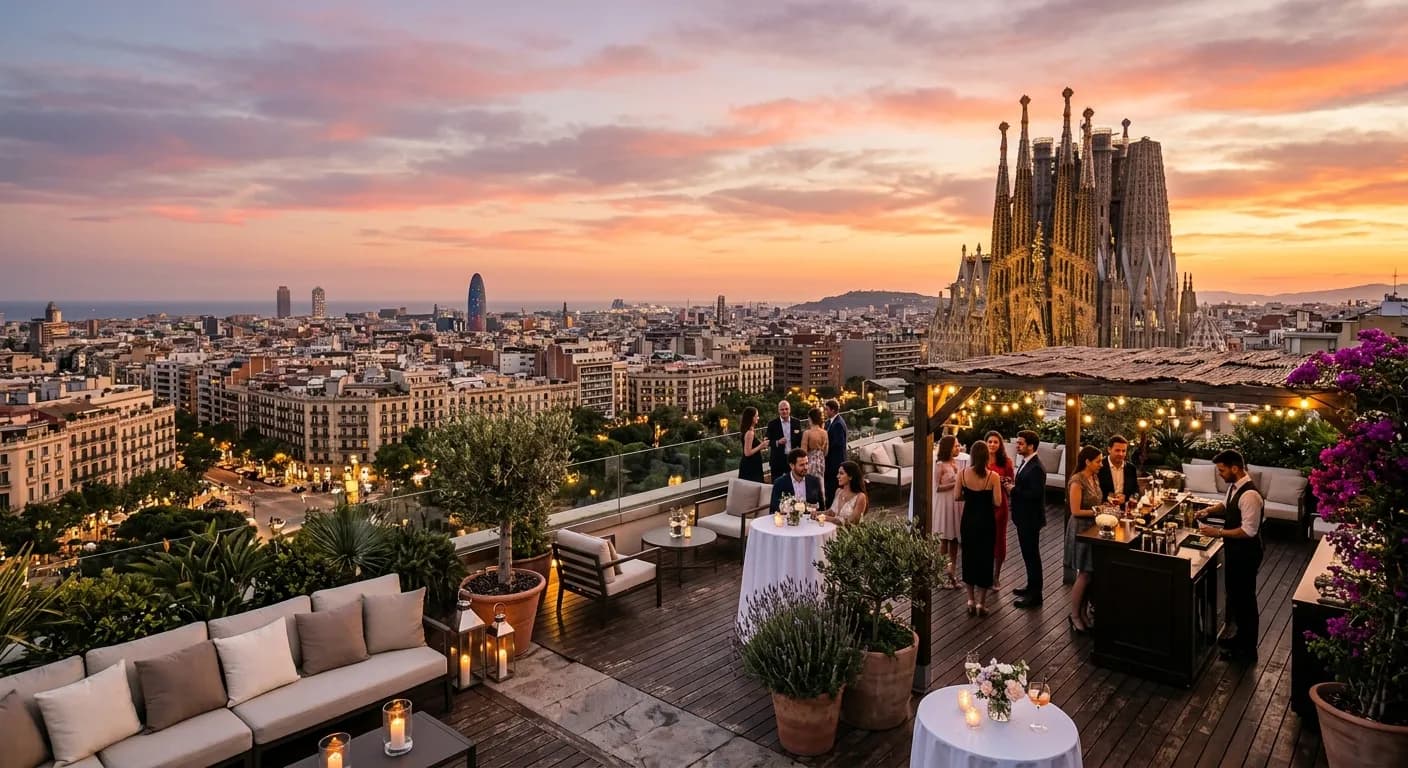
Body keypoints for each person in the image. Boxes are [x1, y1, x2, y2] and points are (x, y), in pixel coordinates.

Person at [1197, 449, 1264, 663]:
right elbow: (1226, 506)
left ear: (1235, 468)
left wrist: (1217, 532)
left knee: (1246, 601)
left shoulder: (1250, 495)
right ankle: (1239, 639)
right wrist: (1209, 511)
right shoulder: (1235, 488)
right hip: (1235, 552)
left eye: (1222, 470)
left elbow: (1248, 531)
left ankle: (1248, 650)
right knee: (1235, 596)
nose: (1220, 474)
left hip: (1247, 554)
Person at [959, 440, 1002, 617]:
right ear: (986, 456)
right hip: (986, 520)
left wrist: (970, 496)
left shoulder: (962, 474)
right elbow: (998, 501)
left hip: (968, 519)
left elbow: (956, 496)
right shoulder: (993, 476)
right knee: (985, 558)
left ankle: (970, 599)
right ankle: (981, 603)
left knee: (968, 556)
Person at [1065, 445, 1103, 633]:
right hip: (1080, 529)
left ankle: (1084, 613)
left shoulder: (1094, 477)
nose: (1101, 465)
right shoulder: (1077, 481)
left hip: (1092, 529)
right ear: (1087, 461)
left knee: (1091, 573)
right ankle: (1074, 615)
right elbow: (1075, 510)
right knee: (1084, 573)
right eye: (1098, 461)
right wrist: (1099, 510)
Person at [1010, 430, 1046, 608]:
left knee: (1032, 556)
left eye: (1021, 443)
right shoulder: (1026, 463)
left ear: (1031, 446)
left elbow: (1035, 494)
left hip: (1030, 518)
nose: (1017, 446)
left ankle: (1035, 596)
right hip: (1023, 516)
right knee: (1027, 555)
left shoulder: (1036, 467)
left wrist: (1012, 490)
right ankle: (1030, 587)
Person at [985, 431, 1015, 590]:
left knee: (999, 541)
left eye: (995, 442)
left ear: (1000, 444)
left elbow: (1011, 484)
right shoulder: (980, 461)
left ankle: (996, 576)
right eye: (990, 442)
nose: (992, 444)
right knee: (984, 541)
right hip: (983, 505)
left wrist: (1003, 481)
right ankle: (984, 574)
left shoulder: (1006, 463)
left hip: (1000, 505)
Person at [933, 434, 963, 589]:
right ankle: (940, 575)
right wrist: (955, 483)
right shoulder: (939, 465)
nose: (959, 448)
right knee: (944, 540)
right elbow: (936, 488)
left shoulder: (955, 462)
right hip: (945, 503)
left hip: (955, 503)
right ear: (948, 448)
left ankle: (952, 574)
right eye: (956, 446)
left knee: (954, 541)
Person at [770, 448, 824, 512]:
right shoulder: (779, 483)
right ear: (792, 465)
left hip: (810, 520)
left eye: (806, 463)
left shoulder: (814, 481)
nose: (806, 467)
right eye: (802, 465)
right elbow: (774, 509)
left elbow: (822, 508)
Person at [766, 400, 804, 481]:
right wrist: (777, 442)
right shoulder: (772, 424)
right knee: (776, 484)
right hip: (777, 460)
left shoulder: (796, 422)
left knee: (793, 484)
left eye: (786, 409)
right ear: (778, 410)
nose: (784, 411)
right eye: (782, 409)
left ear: (790, 410)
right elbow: (767, 442)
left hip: (792, 460)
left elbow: (800, 441)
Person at [1098, 435, 1138, 508]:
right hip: (1105, 511)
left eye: (1123, 451)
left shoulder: (1131, 468)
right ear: (1109, 450)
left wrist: (1127, 498)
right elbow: (1094, 492)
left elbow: (1136, 491)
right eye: (1117, 450)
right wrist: (1107, 498)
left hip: (1125, 510)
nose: (1121, 454)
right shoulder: (1099, 467)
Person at [824, 399, 848, 507]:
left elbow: (839, 444)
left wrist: (825, 448)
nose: (825, 412)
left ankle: (834, 506)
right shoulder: (829, 422)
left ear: (833, 410)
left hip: (836, 461)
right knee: (829, 485)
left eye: (827, 410)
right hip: (829, 461)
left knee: (834, 485)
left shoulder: (838, 424)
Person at [830, 460, 869, 525]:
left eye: (841, 473)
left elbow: (852, 521)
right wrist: (816, 513)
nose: (837, 476)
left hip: (849, 534)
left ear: (850, 477)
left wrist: (828, 519)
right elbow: (831, 512)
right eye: (838, 473)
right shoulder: (838, 491)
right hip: (833, 530)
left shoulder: (860, 497)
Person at [801, 407, 829, 485]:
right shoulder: (824, 433)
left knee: (809, 485)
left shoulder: (807, 433)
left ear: (810, 418)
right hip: (821, 461)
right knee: (820, 484)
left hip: (810, 462)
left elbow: (803, 452)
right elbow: (826, 452)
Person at [737, 406, 765, 482]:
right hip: (751, 466)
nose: (758, 418)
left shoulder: (748, 430)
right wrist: (761, 446)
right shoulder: (750, 433)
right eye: (756, 416)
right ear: (751, 418)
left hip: (751, 464)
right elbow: (747, 453)